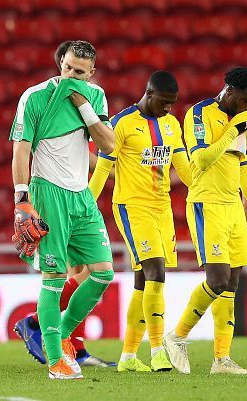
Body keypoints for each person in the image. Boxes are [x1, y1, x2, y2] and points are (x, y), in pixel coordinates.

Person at [10, 40, 116, 379]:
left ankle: (65, 336)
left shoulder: (95, 96)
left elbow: (109, 144)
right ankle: (57, 360)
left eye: (80, 72)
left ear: (91, 73)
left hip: (81, 195)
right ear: (61, 64)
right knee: (54, 278)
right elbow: (21, 151)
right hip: (48, 192)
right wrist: (22, 198)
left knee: (103, 273)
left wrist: (84, 106)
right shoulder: (35, 96)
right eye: (68, 68)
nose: (72, 75)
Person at [163, 67, 247, 375]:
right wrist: (234, 129)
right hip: (206, 204)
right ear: (230, 92)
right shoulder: (199, 114)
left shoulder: (245, 119)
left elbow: (244, 164)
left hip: (234, 207)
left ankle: (222, 359)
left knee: (232, 281)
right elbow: (202, 160)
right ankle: (177, 336)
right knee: (218, 279)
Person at [89, 71, 192, 372]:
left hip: (162, 209)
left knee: (143, 282)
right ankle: (158, 349)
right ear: (148, 93)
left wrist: (206, 185)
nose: (168, 109)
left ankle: (128, 356)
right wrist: (84, 206)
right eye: (164, 102)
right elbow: (103, 169)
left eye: (172, 104)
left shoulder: (171, 125)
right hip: (131, 207)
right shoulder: (121, 123)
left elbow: (184, 169)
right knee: (156, 270)